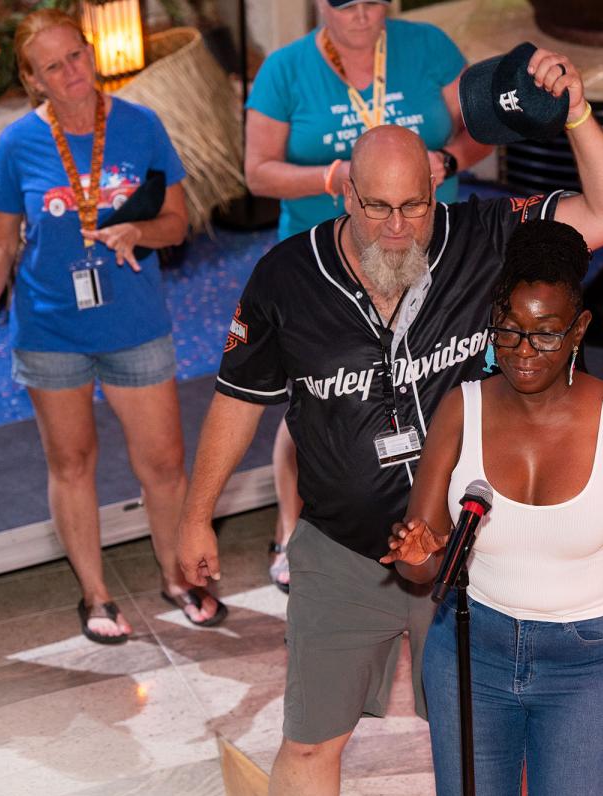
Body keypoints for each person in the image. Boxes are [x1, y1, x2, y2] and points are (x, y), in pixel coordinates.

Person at [177, 47, 603, 796]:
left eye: (414, 206)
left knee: (483, 747)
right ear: (345, 195)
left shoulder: (485, 238)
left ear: (437, 186)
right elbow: (237, 399)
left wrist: (578, 112)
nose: (397, 229)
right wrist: (197, 515)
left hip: (468, 557)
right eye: (376, 208)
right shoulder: (286, 279)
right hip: (341, 550)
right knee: (309, 742)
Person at [382, 219, 603, 796]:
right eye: (508, 331)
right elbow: (425, 565)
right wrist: (417, 558)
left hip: (589, 665)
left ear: (579, 328)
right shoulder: (460, 412)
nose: (523, 352)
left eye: (546, 334)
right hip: (471, 652)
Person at [0, 9, 224, 644]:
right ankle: (95, 594)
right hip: (50, 329)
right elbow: (0, 240)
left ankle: (177, 577)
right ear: (33, 80)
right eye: (53, 66)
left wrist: (138, 231)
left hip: (133, 321)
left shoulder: (141, 126)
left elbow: (177, 223)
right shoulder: (18, 144)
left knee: (164, 462)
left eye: (77, 55)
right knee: (71, 463)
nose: (72, 72)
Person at [245, 0, 491, 595]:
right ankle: (290, 527)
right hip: (328, 263)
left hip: (424, 253)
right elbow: (257, 172)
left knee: (431, 385)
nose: (360, 14)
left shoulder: (428, 46)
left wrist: (448, 160)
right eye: (345, 3)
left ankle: (433, 517)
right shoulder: (284, 69)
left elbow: (480, 130)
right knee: (318, 401)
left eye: (372, 0)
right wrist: (338, 179)